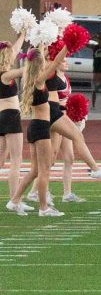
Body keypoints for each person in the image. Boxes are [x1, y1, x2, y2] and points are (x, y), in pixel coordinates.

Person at [12, 44, 70, 216]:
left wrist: (43, 42)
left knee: (35, 170)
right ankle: (44, 208)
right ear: (40, 64)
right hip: (41, 128)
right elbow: (55, 63)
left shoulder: (30, 79)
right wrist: (67, 45)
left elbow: (47, 59)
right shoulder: (39, 81)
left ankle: (14, 201)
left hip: (35, 127)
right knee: (44, 171)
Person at [0, 32, 28, 213]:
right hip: (10, 116)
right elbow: (26, 70)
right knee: (16, 160)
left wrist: (23, 33)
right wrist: (36, 57)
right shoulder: (6, 74)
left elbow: (16, 50)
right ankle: (14, 200)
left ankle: (15, 199)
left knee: (2, 161)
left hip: (1, 116)